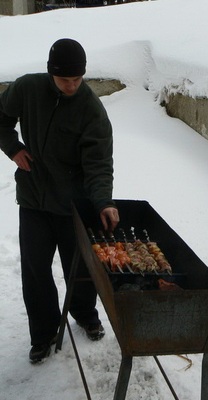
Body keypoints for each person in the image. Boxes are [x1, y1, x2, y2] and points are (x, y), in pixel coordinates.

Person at [0, 38, 120, 363]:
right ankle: (44, 333)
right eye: (65, 80)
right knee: (35, 270)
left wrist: (103, 202)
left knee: (79, 267)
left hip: (72, 203)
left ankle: (84, 313)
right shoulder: (27, 89)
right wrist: (13, 147)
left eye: (77, 80)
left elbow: (98, 164)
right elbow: (0, 118)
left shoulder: (91, 110)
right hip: (34, 199)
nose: (71, 86)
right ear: (51, 73)